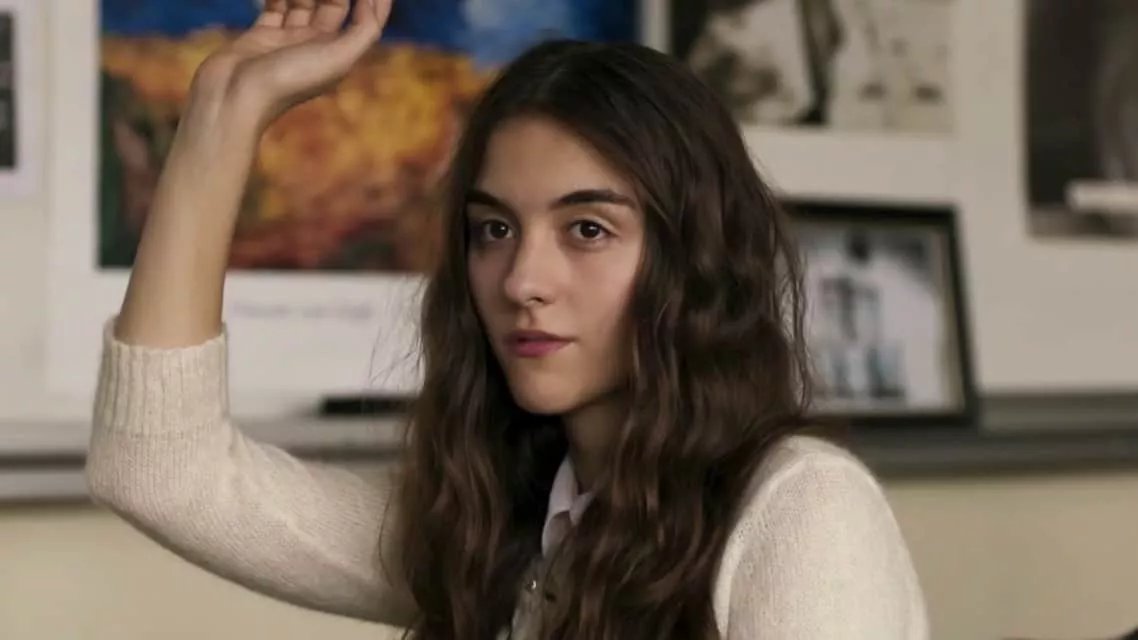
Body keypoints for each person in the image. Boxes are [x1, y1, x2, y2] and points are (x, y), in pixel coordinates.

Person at [85, 0, 928, 638]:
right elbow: (158, 469)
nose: (523, 279)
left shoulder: (800, 510)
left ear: (696, 255)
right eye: (494, 230)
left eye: (587, 230)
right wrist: (224, 109)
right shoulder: (492, 523)